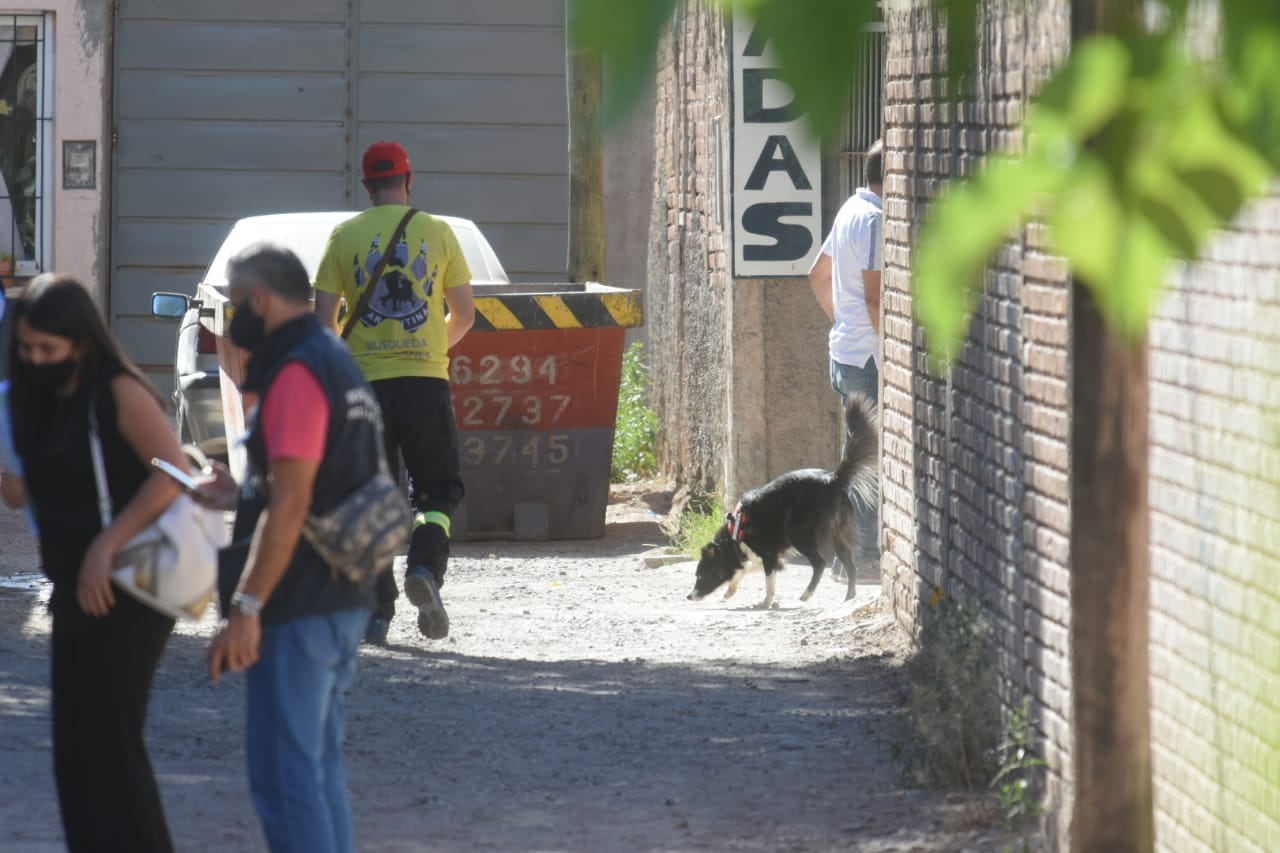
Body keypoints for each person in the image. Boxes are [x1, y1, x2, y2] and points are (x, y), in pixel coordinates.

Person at [0, 274, 190, 852]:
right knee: (74, 756)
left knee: (111, 752)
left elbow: (175, 472)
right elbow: (18, 492)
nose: (36, 360)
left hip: (131, 585)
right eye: (27, 349)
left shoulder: (117, 391)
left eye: (48, 351)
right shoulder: (29, 398)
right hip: (75, 586)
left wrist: (106, 546)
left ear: (80, 343)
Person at [201, 245, 381, 853]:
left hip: (298, 603)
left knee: (285, 778)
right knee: (315, 769)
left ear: (258, 298)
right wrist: (238, 492)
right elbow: (312, 478)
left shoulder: (298, 371)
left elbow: (294, 504)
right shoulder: (335, 358)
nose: (230, 314)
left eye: (232, 299)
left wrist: (247, 607)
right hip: (338, 593)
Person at [314, 140, 476, 644]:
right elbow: (466, 314)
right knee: (435, 492)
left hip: (364, 389)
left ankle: (377, 613)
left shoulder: (343, 236)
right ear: (410, 179)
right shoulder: (438, 232)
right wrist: (429, 349)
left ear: (367, 186)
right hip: (425, 382)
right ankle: (425, 566)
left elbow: (323, 325)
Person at [808, 138, 884, 579]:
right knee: (867, 459)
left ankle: (845, 554)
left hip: (845, 351)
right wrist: (886, 350)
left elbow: (817, 274)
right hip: (869, 357)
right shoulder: (874, 220)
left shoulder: (849, 211)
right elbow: (876, 300)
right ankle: (862, 557)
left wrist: (845, 321)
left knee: (856, 455)